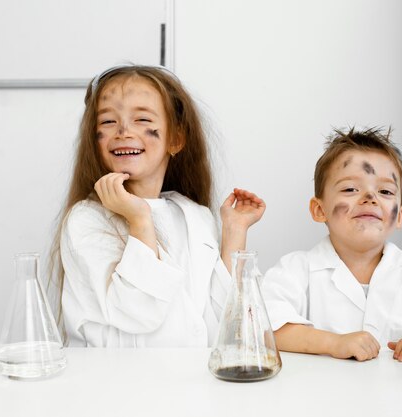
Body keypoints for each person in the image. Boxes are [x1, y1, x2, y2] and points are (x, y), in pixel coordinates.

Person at [52, 64, 265, 347]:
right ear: (94, 139)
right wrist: (139, 219)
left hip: (194, 385)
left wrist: (234, 231)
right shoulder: (85, 219)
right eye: (107, 122)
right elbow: (138, 313)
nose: (124, 131)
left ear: (175, 138)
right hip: (117, 385)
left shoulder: (195, 215)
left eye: (141, 119)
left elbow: (229, 320)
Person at [261, 127, 402, 363]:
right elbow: (263, 326)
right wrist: (334, 342)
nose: (370, 198)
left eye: (385, 191)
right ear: (319, 209)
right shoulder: (295, 270)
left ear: (400, 216)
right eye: (350, 189)